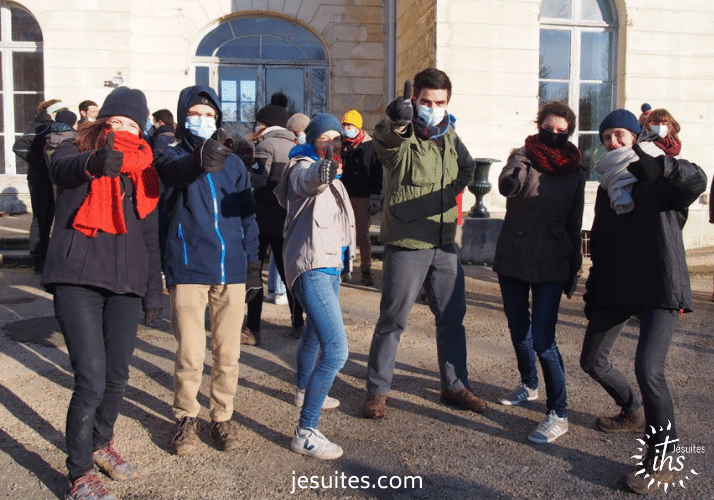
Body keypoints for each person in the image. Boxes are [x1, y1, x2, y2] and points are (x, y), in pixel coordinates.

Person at [41, 87, 162, 500]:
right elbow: (62, 171)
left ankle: (100, 444)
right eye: (117, 121)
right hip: (77, 277)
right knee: (90, 379)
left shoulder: (144, 168)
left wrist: (153, 290)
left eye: (132, 124)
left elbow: (149, 233)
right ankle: (78, 473)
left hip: (127, 284)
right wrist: (94, 163)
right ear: (102, 122)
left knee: (117, 376)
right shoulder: (74, 148)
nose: (124, 130)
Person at [579, 109, 707, 494]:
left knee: (650, 368)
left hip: (660, 283)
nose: (613, 142)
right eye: (606, 137)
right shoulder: (606, 186)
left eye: (620, 134)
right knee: (592, 361)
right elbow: (600, 241)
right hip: (618, 285)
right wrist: (593, 291)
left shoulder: (659, 173)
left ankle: (663, 458)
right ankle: (632, 409)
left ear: (634, 137)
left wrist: (665, 167)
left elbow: (696, 180)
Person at [361, 68, 483, 419]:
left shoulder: (449, 134)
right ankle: (377, 390)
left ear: (448, 102)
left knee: (452, 318)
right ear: (415, 100)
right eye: (426, 101)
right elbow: (387, 141)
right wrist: (397, 121)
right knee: (393, 320)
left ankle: (455, 385)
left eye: (439, 102)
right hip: (407, 242)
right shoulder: (405, 134)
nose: (433, 107)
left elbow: (468, 167)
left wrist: (448, 194)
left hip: (444, 243)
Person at [153, 85, 261, 456]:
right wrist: (199, 159)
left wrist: (252, 261)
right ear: (184, 116)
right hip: (188, 265)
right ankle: (185, 415)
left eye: (209, 114)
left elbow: (247, 215)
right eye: (196, 113)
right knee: (190, 351)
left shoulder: (233, 163)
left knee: (228, 352)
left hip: (229, 268)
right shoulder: (170, 155)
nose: (203, 119)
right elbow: (169, 181)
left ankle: (222, 415)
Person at [493, 102, 585, 443]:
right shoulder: (522, 157)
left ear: (569, 132)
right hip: (514, 255)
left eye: (562, 131)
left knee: (544, 340)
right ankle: (529, 384)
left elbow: (575, 223)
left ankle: (558, 413)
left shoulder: (576, 171)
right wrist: (511, 174)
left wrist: (574, 265)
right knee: (519, 331)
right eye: (550, 128)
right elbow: (509, 183)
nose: (555, 134)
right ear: (539, 125)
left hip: (553, 259)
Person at [274, 112, 355, 460]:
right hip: (312, 267)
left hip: (330, 265)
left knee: (312, 334)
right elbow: (306, 181)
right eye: (326, 139)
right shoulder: (302, 164)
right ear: (313, 141)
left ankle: (303, 389)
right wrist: (319, 172)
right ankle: (306, 430)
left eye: (337, 140)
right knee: (336, 351)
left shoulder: (335, 172)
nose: (332, 145)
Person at [243, 92, 304, 345]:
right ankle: (297, 323)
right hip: (287, 218)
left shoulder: (266, 145)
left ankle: (253, 329)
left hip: (263, 217)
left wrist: (245, 171)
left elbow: (258, 179)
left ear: (265, 124)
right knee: (288, 273)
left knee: (255, 272)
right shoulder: (296, 146)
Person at [13, 98, 68, 274]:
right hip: (39, 179)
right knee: (40, 219)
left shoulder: (49, 125)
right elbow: (18, 146)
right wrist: (40, 162)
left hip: (48, 178)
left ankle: (45, 255)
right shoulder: (40, 126)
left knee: (48, 218)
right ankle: (38, 258)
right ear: (54, 111)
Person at [340, 110, 383, 286]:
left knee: (363, 235)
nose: (346, 129)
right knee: (342, 234)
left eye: (349, 125)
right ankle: (343, 269)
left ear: (358, 127)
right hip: (343, 195)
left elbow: (376, 172)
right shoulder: (342, 145)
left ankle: (366, 271)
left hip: (363, 196)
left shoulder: (371, 146)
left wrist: (375, 196)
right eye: (344, 125)